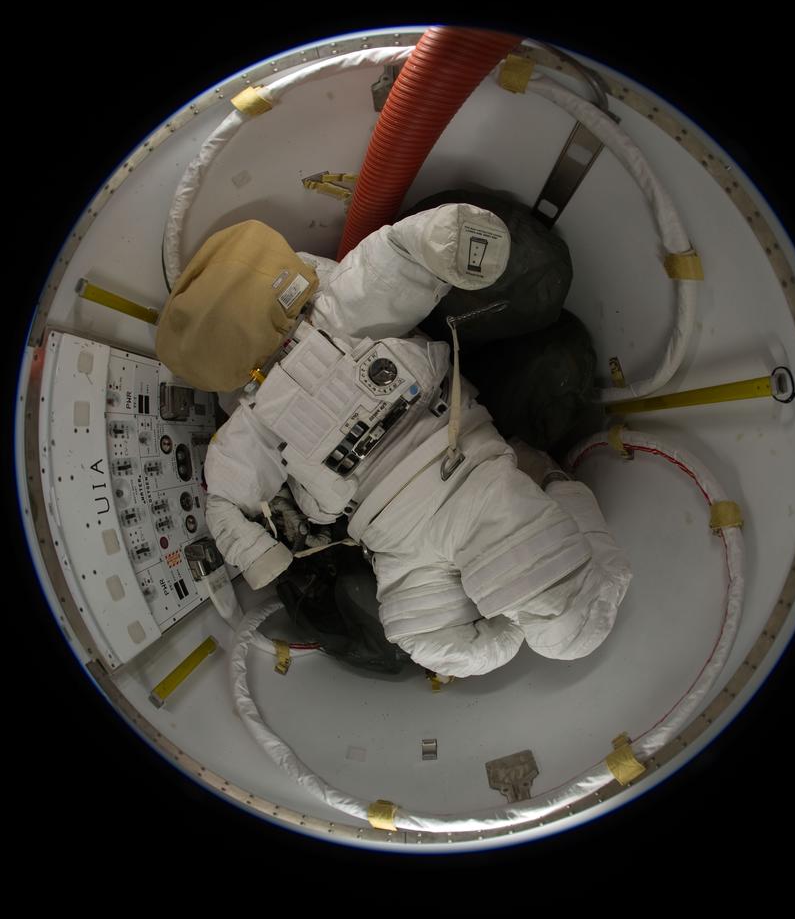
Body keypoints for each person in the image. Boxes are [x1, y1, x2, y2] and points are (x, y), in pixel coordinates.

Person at [155, 204, 632, 678]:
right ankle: (547, 496)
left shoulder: (340, 313)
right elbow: (225, 498)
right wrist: (258, 555)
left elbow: (396, 260)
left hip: (464, 479)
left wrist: (445, 238)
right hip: (393, 535)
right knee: (429, 642)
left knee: (571, 621)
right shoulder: (253, 422)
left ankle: (546, 499)